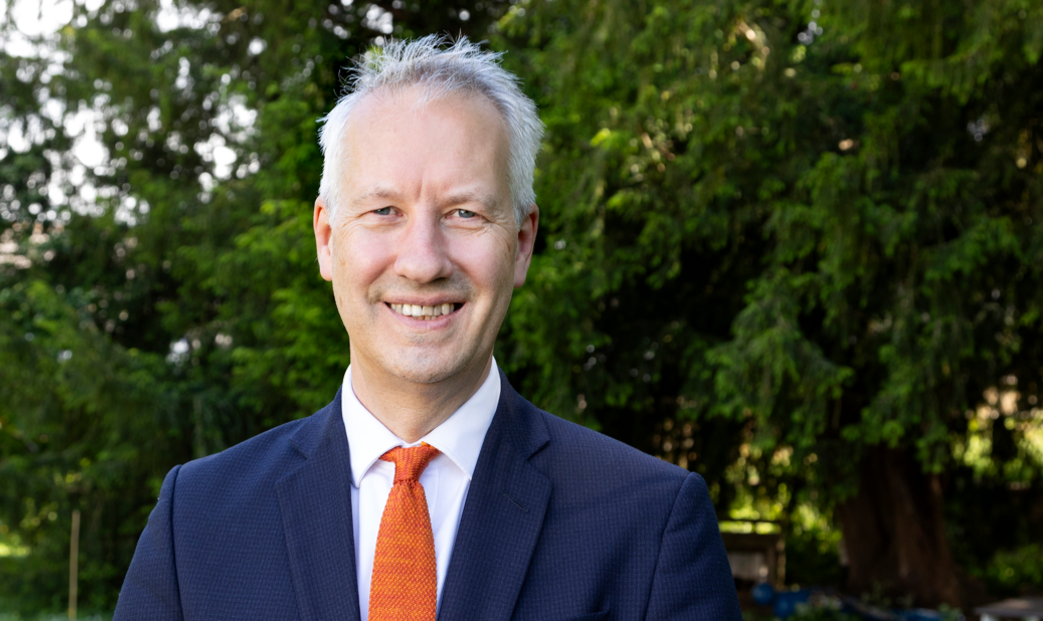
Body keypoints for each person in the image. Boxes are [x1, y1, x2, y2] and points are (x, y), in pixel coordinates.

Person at [114, 36, 741, 621]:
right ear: (327, 239)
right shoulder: (195, 521)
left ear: (521, 243)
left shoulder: (652, 523)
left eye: (464, 213)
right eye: (384, 211)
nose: (422, 261)